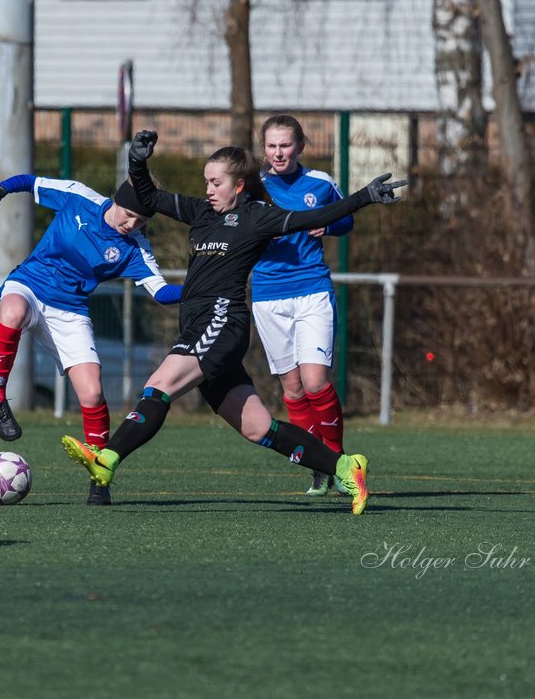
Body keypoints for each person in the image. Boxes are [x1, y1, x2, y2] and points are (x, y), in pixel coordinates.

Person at [61, 130, 405, 513]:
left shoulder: (257, 217)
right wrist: (138, 163)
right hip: (197, 325)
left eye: (216, 182)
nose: (208, 189)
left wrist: (363, 198)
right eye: (206, 182)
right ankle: (345, 466)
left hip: (222, 320)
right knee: (258, 427)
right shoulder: (201, 213)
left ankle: (106, 461)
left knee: (158, 385)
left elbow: (315, 216)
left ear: (238, 185)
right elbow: (150, 198)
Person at [0, 174, 181, 505]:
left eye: (141, 221)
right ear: (117, 200)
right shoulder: (78, 197)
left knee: (93, 392)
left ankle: (99, 474)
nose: (132, 223)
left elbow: (162, 292)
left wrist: (202, 288)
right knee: (11, 313)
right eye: (128, 214)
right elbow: (31, 181)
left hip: (70, 311)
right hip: (29, 284)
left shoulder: (136, 247)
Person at [254, 115, 353, 497]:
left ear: (301, 147)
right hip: (267, 295)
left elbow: (346, 221)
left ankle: (337, 458)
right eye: (271, 146)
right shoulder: (253, 188)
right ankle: (319, 468)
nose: (278, 153)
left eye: (285, 145)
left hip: (311, 290)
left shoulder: (321, 183)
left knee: (315, 383)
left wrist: (328, 227)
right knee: (293, 392)